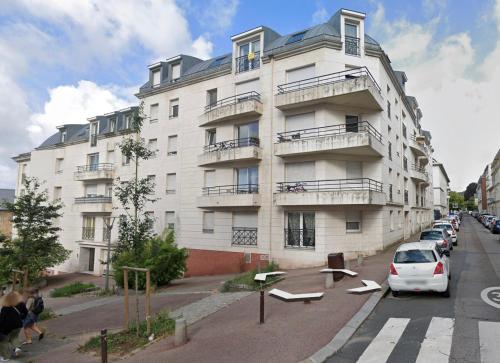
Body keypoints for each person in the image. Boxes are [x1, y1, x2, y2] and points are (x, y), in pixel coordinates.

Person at [0, 291, 26, 361]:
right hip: (18, 325)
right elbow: (25, 312)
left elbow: (2, 320)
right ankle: (17, 348)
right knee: (14, 337)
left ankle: (5, 357)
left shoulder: (5, 308)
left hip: (8, 327)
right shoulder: (20, 304)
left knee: (4, 341)